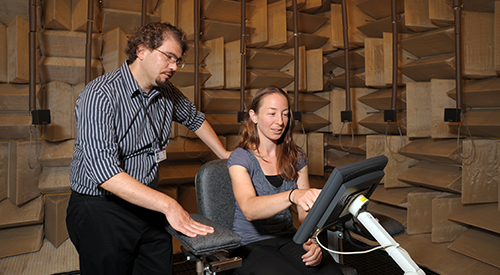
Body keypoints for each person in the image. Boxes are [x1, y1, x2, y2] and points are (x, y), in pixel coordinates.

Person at [66, 22, 230, 275]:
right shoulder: (100, 95)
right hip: (99, 208)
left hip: (144, 203)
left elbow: (195, 119)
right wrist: (169, 205)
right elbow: (104, 172)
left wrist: (224, 154)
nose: (174, 67)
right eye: (169, 57)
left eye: (178, 61)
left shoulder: (166, 91)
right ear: (142, 51)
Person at [227, 86, 343, 274]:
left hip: (289, 238)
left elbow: (305, 213)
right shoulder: (240, 158)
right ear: (254, 116)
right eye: (272, 113)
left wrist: (312, 239)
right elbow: (249, 209)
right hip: (249, 245)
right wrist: (292, 195)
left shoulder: (297, 157)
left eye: (285, 114)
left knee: (331, 272)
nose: (280, 122)